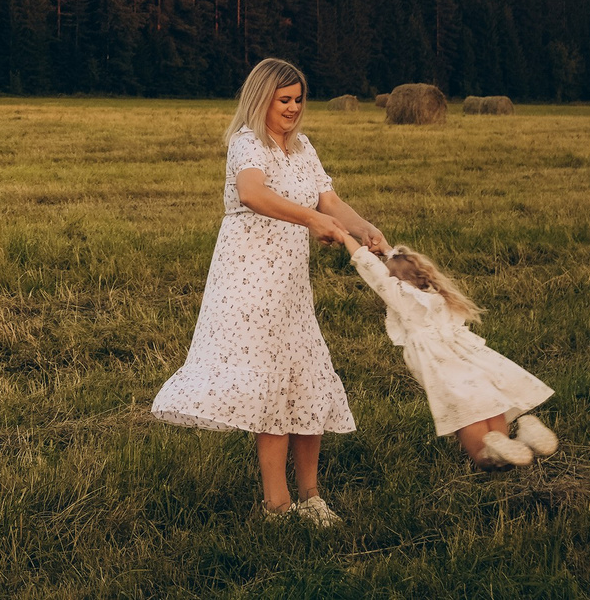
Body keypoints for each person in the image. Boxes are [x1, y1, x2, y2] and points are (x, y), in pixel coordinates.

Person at [151, 57, 385, 525]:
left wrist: (364, 229)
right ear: (262, 99)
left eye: (299, 99)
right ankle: (276, 505)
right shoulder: (246, 145)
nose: (294, 108)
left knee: (308, 379)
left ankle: (312, 498)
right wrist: (311, 219)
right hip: (249, 285)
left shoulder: (302, 149)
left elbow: (330, 201)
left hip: (291, 289)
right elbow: (253, 194)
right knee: (272, 389)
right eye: (284, 100)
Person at [350, 244, 558, 468]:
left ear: (393, 277)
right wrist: (390, 251)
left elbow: (371, 268)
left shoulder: (400, 296)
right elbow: (403, 264)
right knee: (489, 400)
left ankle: (491, 454)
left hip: (439, 367)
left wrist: (344, 237)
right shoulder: (436, 294)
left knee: (469, 423)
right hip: (473, 361)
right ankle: (522, 439)